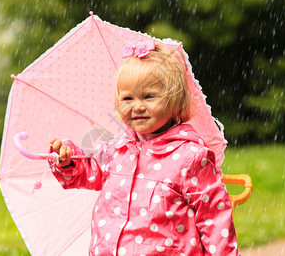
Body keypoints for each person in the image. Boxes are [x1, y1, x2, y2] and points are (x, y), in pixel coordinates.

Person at [49, 40, 240, 255]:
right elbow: (87, 171)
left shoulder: (189, 157)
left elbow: (213, 216)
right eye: (127, 98)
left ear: (175, 101)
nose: (138, 106)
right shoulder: (116, 150)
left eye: (149, 96)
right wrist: (68, 160)